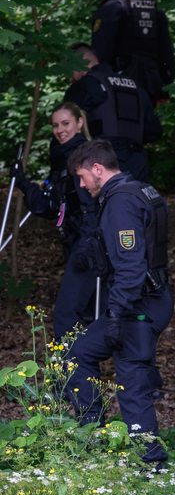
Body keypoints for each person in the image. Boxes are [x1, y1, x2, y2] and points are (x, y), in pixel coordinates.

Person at [65, 139, 172, 466]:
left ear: (98, 169)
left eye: (82, 176)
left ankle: (152, 466)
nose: (82, 185)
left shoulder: (121, 202)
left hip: (138, 306)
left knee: (133, 384)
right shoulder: (141, 190)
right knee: (80, 352)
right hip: (149, 299)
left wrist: (115, 314)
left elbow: (131, 267)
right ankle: (91, 436)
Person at [10, 102, 103, 338]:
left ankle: (70, 363)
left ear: (79, 123)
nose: (60, 130)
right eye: (55, 125)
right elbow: (49, 206)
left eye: (65, 123)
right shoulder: (63, 158)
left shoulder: (86, 156)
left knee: (67, 314)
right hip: (75, 242)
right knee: (90, 313)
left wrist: (89, 244)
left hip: (89, 245)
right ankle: (90, 359)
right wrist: (22, 182)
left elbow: (94, 206)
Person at [66, 42, 162, 183]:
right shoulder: (136, 87)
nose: (70, 78)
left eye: (70, 70)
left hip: (101, 164)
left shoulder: (84, 86)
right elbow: (154, 131)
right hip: (138, 163)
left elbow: (67, 132)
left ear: (79, 62)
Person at [91, 0, 175, 105]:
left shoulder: (110, 9)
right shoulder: (154, 9)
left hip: (119, 82)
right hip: (152, 81)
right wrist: (165, 86)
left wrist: (96, 83)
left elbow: (101, 50)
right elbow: (165, 51)